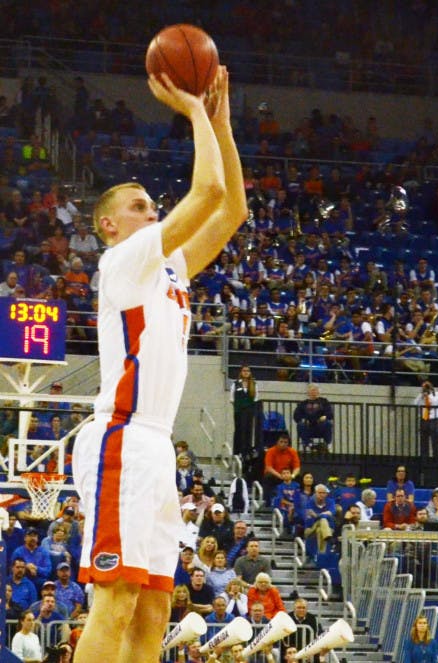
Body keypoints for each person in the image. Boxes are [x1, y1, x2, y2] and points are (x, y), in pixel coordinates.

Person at [70, 66, 246, 663]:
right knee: (115, 601)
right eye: (139, 207)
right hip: (120, 435)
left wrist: (222, 126)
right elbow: (209, 196)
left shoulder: (169, 267)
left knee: (155, 605)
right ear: (109, 226)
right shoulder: (121, 263)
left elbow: (233, 212)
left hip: (154, 445)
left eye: (153, 206)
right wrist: (195, 110)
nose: (153, 213)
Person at [293, 385, 333, 450]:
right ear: (308, 393)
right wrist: (303, 420)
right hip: (307, 427)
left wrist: (323, 417)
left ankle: (328, 444)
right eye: (311, 391)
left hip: (320, 426)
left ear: (318, 392)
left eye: (315, 390)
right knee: (300, 425)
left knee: (328, 423)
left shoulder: (324, 401)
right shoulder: (303, 403)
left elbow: (330, 414)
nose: (313, 392)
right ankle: (309, 444)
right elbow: (296, 415)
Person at [231, 365, 257, 462]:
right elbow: (232, 398)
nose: (246, 372)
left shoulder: (254, 384)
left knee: (248, 431)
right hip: (239, 411)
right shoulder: (236, 384)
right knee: (239, 430)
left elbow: (255, 398)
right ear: (241, 372)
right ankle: (237, 451)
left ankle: (247, 452)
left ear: (250, 372)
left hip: (249, 411)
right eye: (244, 370)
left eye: (248, 371)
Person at [414, 381, 438, 458]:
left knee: (435, 441)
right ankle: (424, 458)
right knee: (423, 440)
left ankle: (435, 459)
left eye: (427, 387)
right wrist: (421, 395)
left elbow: (434, 402)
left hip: (433, 419)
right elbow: (415, 403)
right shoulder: (422, 396)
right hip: (424, 419)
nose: (426, 389)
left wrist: (429, 395)